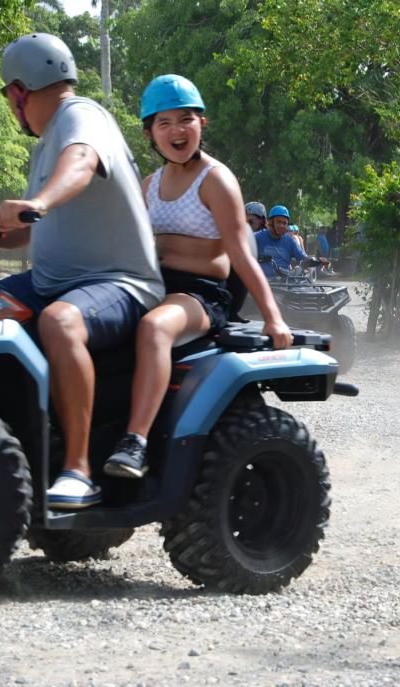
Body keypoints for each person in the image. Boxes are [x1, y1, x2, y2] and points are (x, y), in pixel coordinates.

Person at [0, 33, 164, 509]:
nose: (10, 106)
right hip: (54, 282)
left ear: (19, 92)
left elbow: (81, 164)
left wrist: (37, 200)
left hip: (120, 284)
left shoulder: (80, 116)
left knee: (59, 322)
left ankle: (78, 470)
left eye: (8, 96)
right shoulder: (46, 147)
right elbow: (26, 234)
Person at [102, 74, 293, 480]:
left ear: (201, 125)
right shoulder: (149, 185)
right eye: (164, 122)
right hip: (149, 286)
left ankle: (135, 442)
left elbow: (241, 253)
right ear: (149, 132)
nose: (176, 130)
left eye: (185, 119)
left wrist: (273, 316)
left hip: (198, 295)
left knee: (155, 330)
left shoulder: (215, 180)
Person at [254, 205, 328, 279]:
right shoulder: (257, 237)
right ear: (270, 222)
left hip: (285, 284)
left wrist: (316, 261)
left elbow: (302, 257)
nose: (282, 226)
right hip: (262, 282)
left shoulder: (289, 240)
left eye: (284, 223)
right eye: (278, 222)